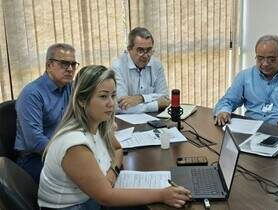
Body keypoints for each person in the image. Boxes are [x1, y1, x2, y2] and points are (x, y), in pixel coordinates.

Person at [38, 65, 191, 209]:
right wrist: (162, 194)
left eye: (113, 95)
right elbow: (107, 197)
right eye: (103, 96)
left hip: (91, 198)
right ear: (82, 101)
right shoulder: (74, 145)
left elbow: (118, 149)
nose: (111, 104)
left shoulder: (98, 123)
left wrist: (111, 174)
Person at [213, 35, 278, 134]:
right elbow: (228, 100)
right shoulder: (245, 76)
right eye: (260, 58)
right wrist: (223, 111)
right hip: (250, 133)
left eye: (271, 59)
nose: (265, 63)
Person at [15, 43, 79, 183]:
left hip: (62, 148)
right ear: (49, 65)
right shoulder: (32, 94)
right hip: (35, 158)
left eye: (73, 64)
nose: (70, 69)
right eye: (64, 64)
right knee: (82, 177)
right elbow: (35, 141)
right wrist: (69, 156)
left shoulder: (70, 87)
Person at [111, 27, 170, 113]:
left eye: (149, 50)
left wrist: (141, 98)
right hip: (125, 123)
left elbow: (165, 98)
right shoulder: (117, 67)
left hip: (153, 119)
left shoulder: (156, 64)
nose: (146, 55)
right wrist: (156, 105)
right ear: (129, 49)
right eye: (140, 50)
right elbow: (121, 107)